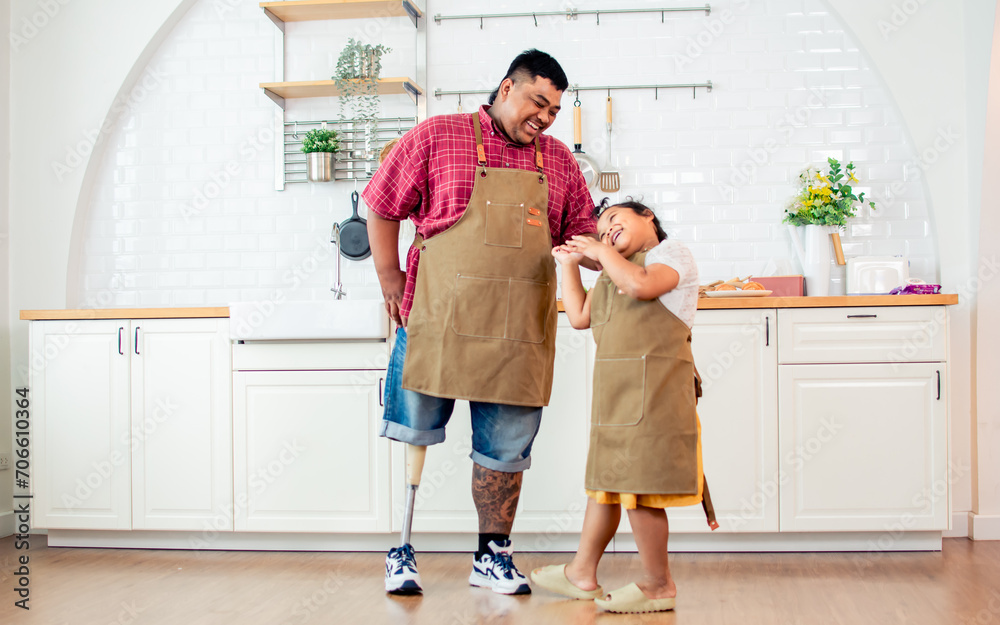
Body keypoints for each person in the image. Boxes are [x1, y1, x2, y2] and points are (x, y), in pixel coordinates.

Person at [362, 49, 598, 596]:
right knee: (413, 431)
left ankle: (492, 556)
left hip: (519, 331)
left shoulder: (559, 162)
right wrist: (389, 276)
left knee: (505, 451)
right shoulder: (435, 136)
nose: (544, 118)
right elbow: (381, 203)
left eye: (554, 111)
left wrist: (618, 254)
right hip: (437, 318)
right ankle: (402, 549)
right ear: (506, 88)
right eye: (538, 103)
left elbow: (580, 235)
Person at [531, 197, 718, 614]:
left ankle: (658, 584)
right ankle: (582, 573)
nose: (607, 232)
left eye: (615, 220)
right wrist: (567, 264)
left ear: (647, 216)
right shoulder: (613, 273)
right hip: (615, 397)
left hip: (656, 395)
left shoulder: (669, 255)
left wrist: (597, 252)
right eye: (600, 232)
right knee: (606, 486)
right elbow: (579, 316)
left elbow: (642, 285)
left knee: (639, 489)